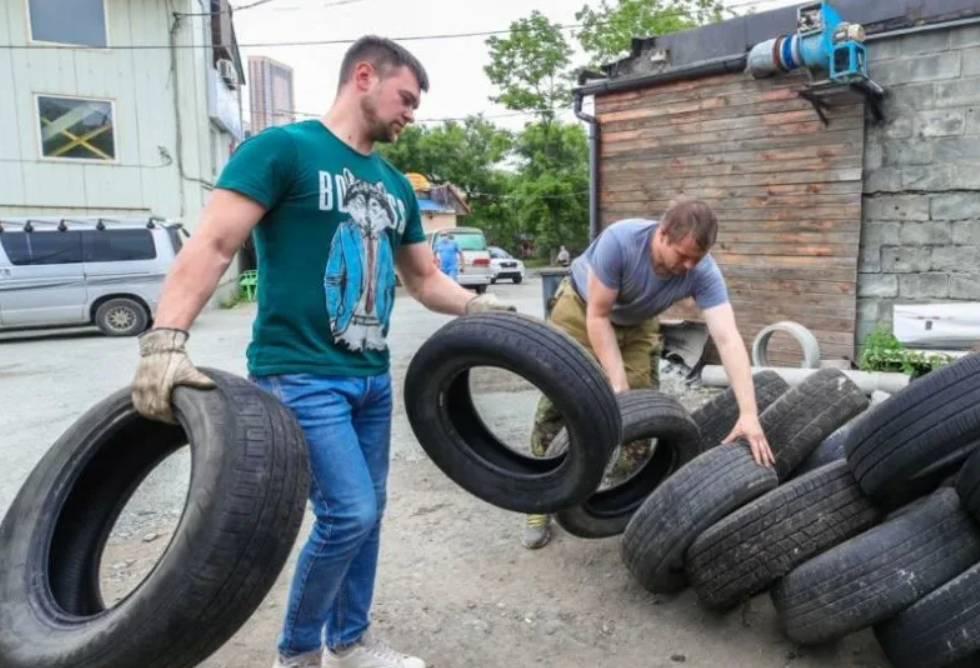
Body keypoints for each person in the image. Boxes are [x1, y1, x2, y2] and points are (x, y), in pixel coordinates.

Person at [130, 36, 514, 668]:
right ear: (364, 76)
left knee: (369, 515)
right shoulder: (284, 149)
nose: (411, 114)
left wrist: (477, 306)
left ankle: (351, 641)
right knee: (348, 513)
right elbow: (215, 243)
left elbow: (422, 278)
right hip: (299, 373)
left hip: (370, 378)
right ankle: (299, 653)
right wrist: (165, 339)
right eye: (406, 98)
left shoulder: (393, 184)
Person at [520, 200, 776, 550]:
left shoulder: (702, 271)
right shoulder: (621, 241)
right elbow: (598, 316)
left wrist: (749, 413)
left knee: (643, 416)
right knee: (560, 403)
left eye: (696, 259)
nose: (688, 267)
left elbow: (728, 338)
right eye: (683, 255)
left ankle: (617, 503)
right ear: (663, 233)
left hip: (638, 323)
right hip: (582, 311)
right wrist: (616, 384)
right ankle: (540, 500)